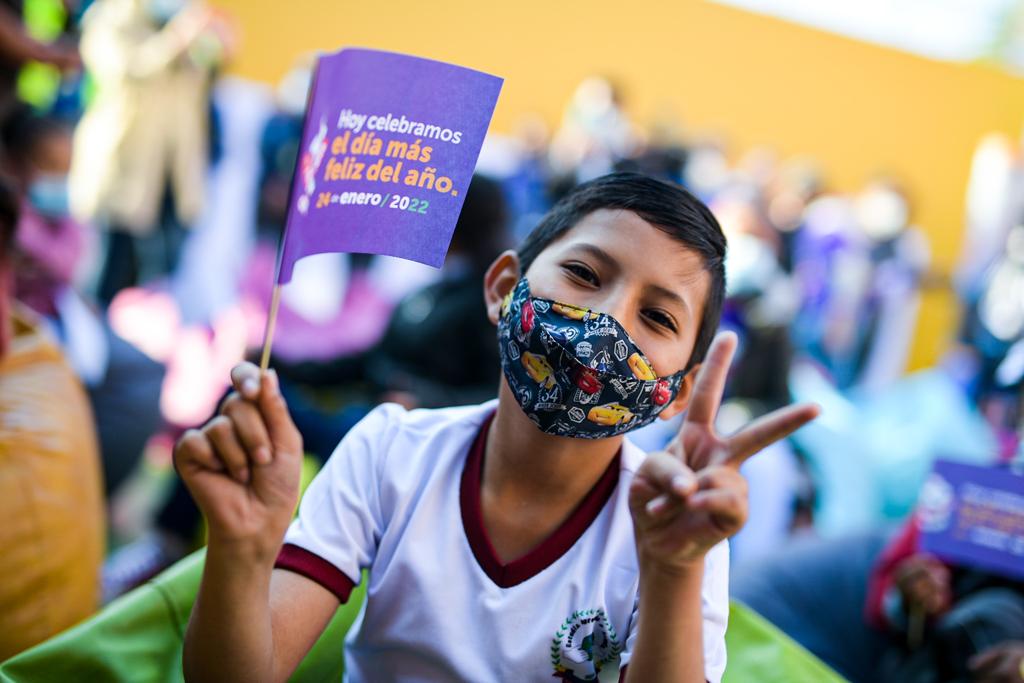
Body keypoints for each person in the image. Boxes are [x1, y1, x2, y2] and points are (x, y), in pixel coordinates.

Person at [173, 172, 819, 682]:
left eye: (657, 317)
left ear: (678, 390)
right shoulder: (390, 452)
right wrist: (242, 545)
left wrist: (674, 567)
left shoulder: (674, 534)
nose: (608, 321)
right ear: (503, 287)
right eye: (586, 274)